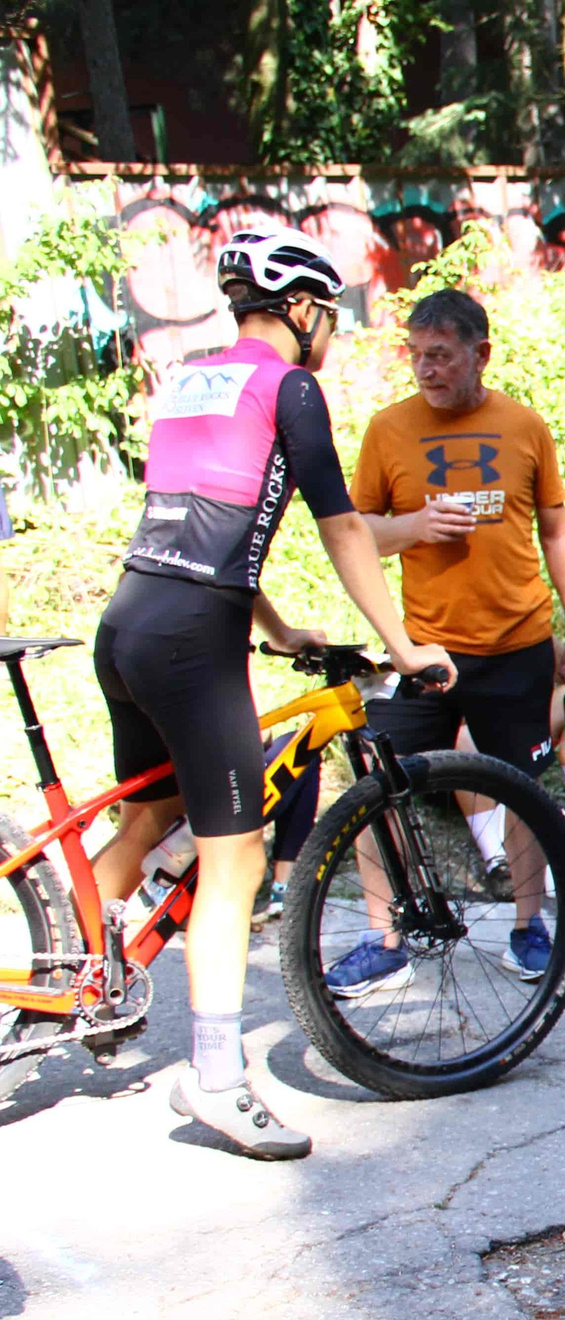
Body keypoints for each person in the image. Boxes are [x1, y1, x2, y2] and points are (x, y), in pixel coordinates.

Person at [91, 231, 453, 1160]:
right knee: (234, 861)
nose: (329, 331)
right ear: (301, 309)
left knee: (148, 818)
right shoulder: (291, 388)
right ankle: (215, 1081)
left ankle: (78, 974)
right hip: (189, 644)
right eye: (327, 313)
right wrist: (404, 645)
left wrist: (282, 630)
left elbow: (194, 525)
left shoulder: (190, 379)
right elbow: (344, 530)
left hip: (129, 623)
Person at [330, 288, 565, 996]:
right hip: (425, 650)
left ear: (481, 353)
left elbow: (557, 532)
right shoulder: (388, 431)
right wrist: (413, 526)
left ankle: (528, 927)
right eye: (416, 355)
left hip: (518, 642)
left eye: (441, 355)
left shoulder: (524, 426)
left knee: (522, 789)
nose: (425, 369)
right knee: (373, 787)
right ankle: (381, 938)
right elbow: (356, 535)